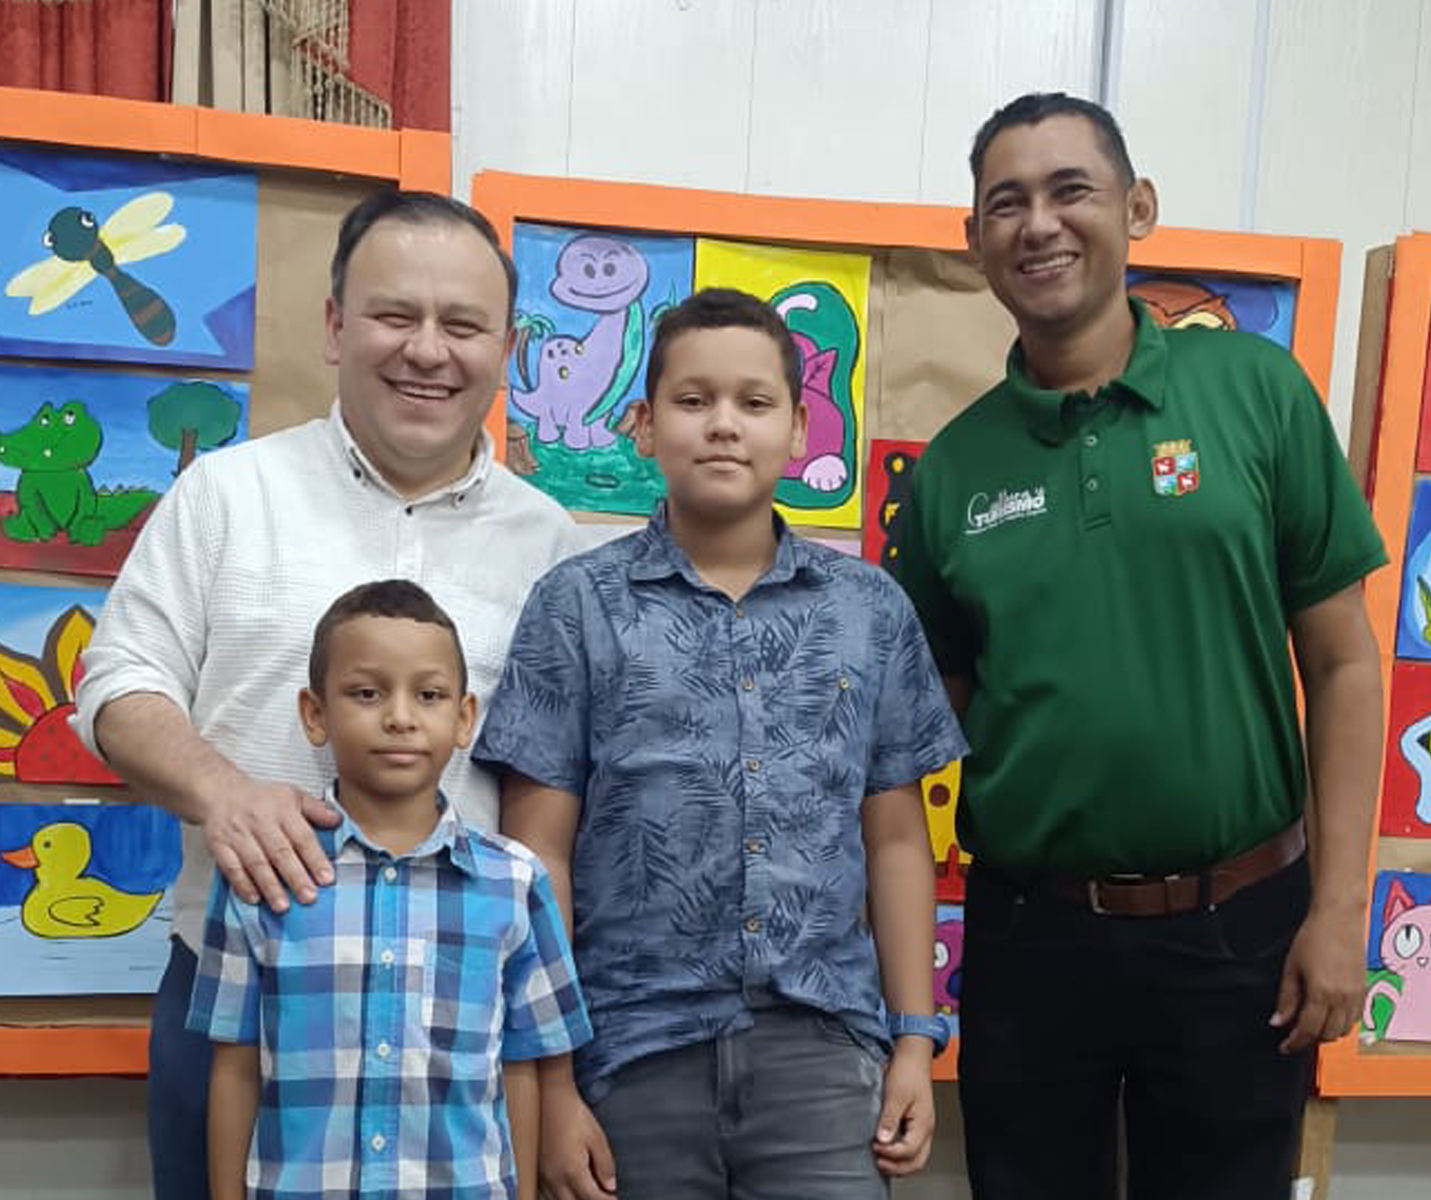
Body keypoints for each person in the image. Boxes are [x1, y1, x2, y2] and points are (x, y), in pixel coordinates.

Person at [893, 92, 1387, 1200]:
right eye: (1006, 202)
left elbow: (1345, 663)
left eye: (1070, 190)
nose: (1039, 224)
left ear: (1138, 208)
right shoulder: (952, 471)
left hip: (1242, 928)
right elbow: (928, 721)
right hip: (1032, 935)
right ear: (974, 240)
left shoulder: (1254, 392)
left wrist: (1339, 908)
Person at [72, 190, 582, 1200]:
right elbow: (118, 683)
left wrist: (556, 1077)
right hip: (237, 993)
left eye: (463, 324)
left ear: (506, 348)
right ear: (337, 325)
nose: (427, 350)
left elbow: (549, 797)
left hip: (461, 1018)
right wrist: (224, 794)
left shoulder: (552, 548)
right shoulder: (226, 494)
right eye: (395, 315)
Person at [474, 287, 967, 1200]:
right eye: (692, 400)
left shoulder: (868, 610)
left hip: (824, 1055)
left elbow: (896, 837)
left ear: (798, 428)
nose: (723, 426)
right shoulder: (577, 605)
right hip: (627, 1052)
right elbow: (537, 856)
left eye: (754, 402)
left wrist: (912, 1039)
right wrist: (552, 1081)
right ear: (644, 424)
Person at [189, 580, 590, 1200]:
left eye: (428, 695)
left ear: (464, 718)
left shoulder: (514, 882)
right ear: (315, 714)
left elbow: (521, 1065)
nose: (400, 717)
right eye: (366, 693)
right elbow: (236, 1068)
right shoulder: (263, 875)